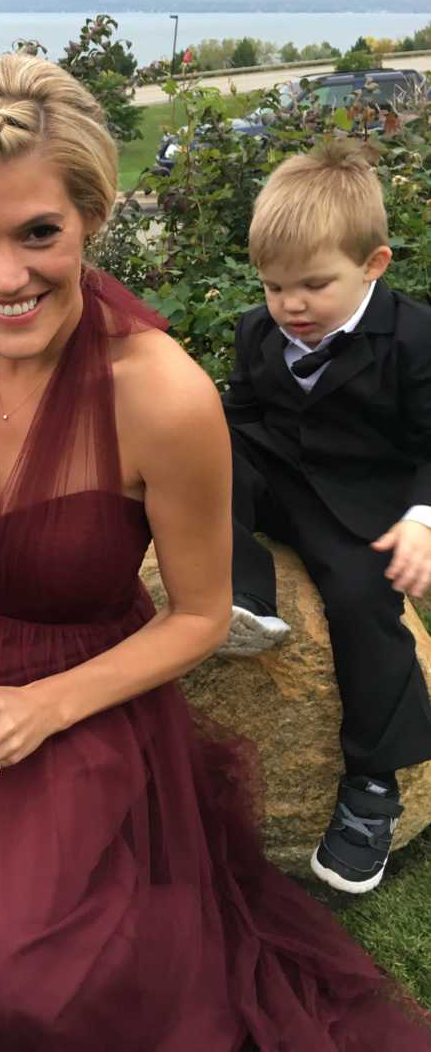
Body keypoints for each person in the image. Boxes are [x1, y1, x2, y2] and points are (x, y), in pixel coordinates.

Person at [0, 58, 431, 1050]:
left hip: (86, 695)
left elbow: (204, 616)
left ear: (92, 215)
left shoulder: (161, 395)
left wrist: (46, 707)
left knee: (14, 974)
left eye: (40, 232)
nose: (5, 277)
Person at [220, 140, 431, 895]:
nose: (291, 307)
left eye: (312, 285)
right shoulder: (257, 329)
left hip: (361, 508)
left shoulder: (412, 340)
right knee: (212, 457)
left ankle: (373, 785)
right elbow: (242, 414)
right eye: (275, 288)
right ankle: (243, 597)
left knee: (363, 604)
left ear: (373, 264)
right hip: (278, 476)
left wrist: (422, 519)